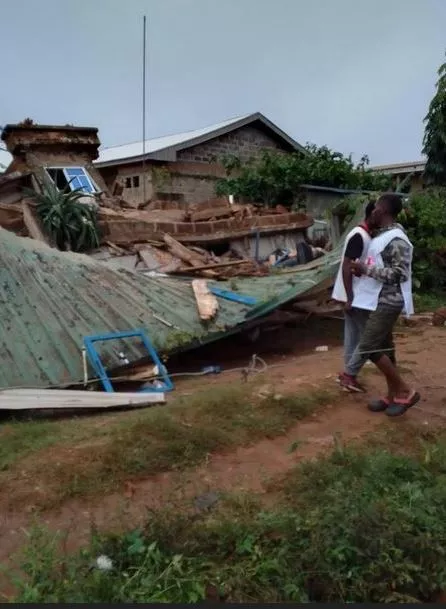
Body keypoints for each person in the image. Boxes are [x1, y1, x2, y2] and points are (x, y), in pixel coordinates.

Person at [348, 193, 419, 417]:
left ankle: (405, 390)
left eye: (376, 208)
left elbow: (399, 274)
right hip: (377, 299)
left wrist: (365, 269)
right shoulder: (383, 236)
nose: (373, 211)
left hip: (389, 300)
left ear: (383, 211)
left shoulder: (397, 239)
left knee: (369, 346)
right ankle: (391, 395)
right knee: (386, 349)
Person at [332, 200, 375, 392]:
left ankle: (349, 376)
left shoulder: (363, 234)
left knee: (352, 336)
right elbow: (347, 266)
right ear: (372, 214)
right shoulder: (360, 235)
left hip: (352, 294)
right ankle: (349, 375)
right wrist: (350, 298)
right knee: (369, 337)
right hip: (355, 296)